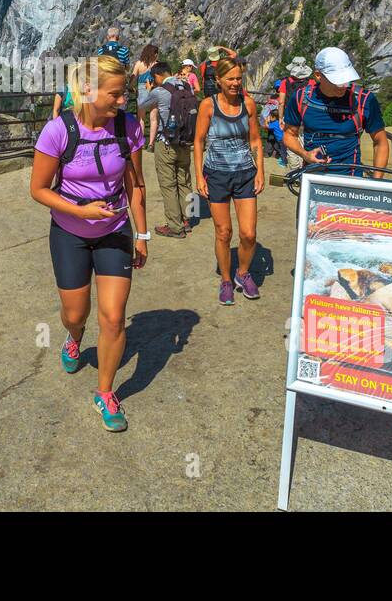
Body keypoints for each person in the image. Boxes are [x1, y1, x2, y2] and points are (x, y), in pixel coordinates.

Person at [30, 55, 149, 432]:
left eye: (124, 94)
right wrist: (79, 212)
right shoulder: (57, 131)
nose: (122, 102)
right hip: (70, 232)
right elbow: (38, 190)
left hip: (115, 230)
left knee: (114, 316)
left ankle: (105, 392)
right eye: (115, 95)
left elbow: (135, 184)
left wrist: (142, 235)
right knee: (76, 313)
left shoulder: (129, 128)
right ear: (88, 91)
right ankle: (73, 336)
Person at [194, 56, 264, 306]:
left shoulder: (249, 104)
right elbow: (199, 141)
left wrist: (260, 171)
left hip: (245, 173)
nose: (235, 83)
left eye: (238, 78)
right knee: (224, 232)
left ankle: (242, 273)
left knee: (248, 234)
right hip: (216, 174)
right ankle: (225, 279)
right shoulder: (208, 106)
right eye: (230, 79)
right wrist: (199, 175)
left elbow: (255, 140)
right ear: (219, 80)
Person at [282, 46, 389, 178]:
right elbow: (289, 135)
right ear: (318, 75)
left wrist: (376, 183)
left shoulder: (363, 100)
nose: (343, 85)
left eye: (346, 79)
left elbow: (380, 142)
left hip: (351, 180)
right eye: (337, 80)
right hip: (312, 179)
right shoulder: (301, 98)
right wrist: (305, 154)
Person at [137, 62, 197, 238]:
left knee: (168, 184)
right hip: (185, 142)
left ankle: (175, 226)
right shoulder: (187, 87)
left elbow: (142, 104)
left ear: (156, 77)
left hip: (166, 143)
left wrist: (146, 89)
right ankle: (188, 220)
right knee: (185, 180)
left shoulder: (159, 91)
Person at [276, 56, 312, 123]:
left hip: (291, 114)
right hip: (307, 114)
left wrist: (280, 117)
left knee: (291, 133)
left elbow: (281, 102)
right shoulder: (311, 82)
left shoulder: (285, 82)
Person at [261, 82, 287, 167]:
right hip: (280, 124)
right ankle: (277, 154)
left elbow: (265, 112)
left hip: (272, 123)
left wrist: (265, 122)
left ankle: (268, 153)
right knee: (275, 140)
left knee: (271, 139)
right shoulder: (284, 99)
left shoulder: (272, 100)